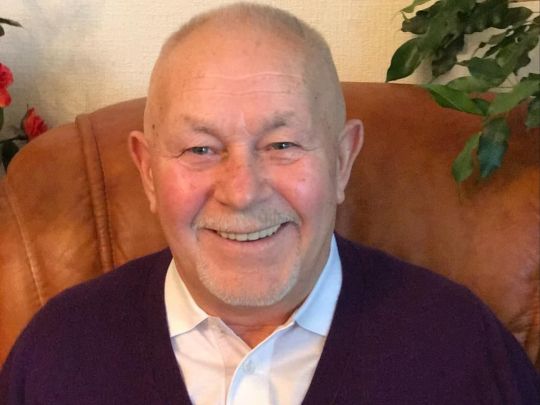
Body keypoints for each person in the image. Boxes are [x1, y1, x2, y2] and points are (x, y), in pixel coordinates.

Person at [1, 3, 539, 404]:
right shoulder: (57, 353)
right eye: (200, 149)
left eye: (282, 145)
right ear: (147, 172)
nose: (242, 191)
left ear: (342, 160)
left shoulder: (461, 349)